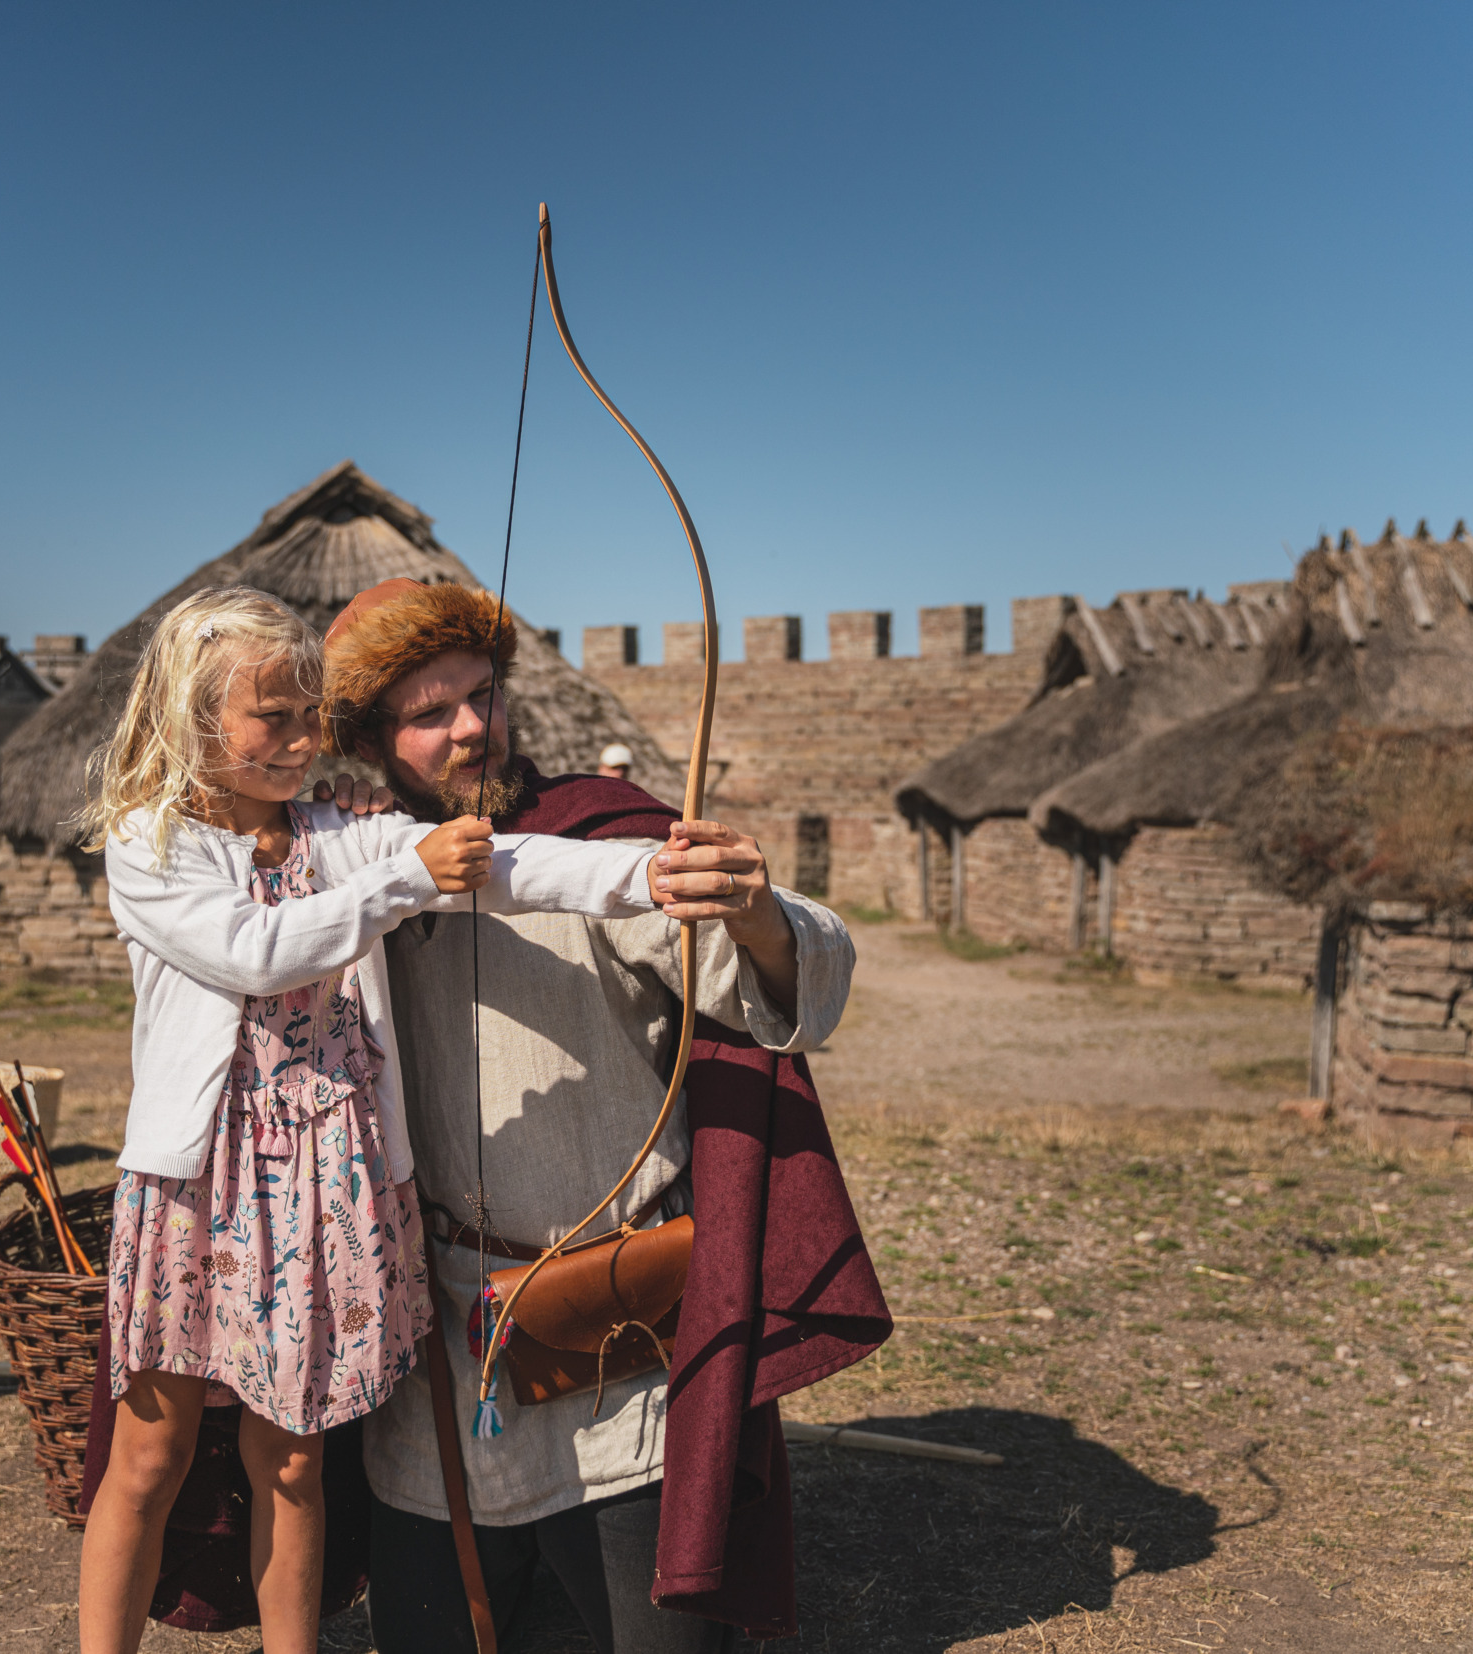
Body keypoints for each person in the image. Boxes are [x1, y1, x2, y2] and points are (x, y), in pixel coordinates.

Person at [72, 586, 686, 1654]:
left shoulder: (335, 836)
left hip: (321, 1186)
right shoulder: (150, 843)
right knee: (149, 1458)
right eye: (275, 718)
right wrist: (405, 871)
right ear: (191, 721)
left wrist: (652, 872)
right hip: (200, 1188)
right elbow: (255, 951)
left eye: (313, 715)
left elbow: (510, 862)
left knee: (296, 1459)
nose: (305, 740)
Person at [317, 578, 886, 1652]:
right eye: (431, 712)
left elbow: (773, 967)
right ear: (374, 738)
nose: (473, 726)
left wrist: (756, 911)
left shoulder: (594, 837)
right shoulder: (350, 871)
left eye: (482, 694)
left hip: (618, 1347)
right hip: (435, 1357)